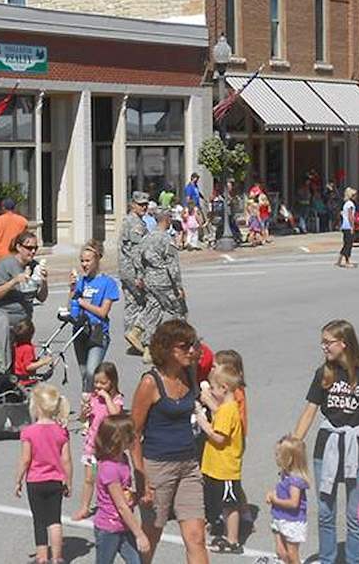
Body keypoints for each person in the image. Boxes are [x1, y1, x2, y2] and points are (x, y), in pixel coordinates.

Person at [290, 319, 359, 564]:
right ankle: (327, 559)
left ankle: (355, 560)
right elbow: (310, 410)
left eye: (328, 342)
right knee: (325, 511)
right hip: (328, 445)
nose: (323, 347)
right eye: (322, 342)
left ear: (344, 343)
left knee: (355, 515)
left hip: (358, 446)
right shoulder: (324, 372)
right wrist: (293, 444)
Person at [130, 320, 210, 564]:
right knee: (151, 535)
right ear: (166, 349)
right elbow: (133, 434)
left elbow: (209, 358)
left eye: (192, 345)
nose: (191, 350)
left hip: (189, 465)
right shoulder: (150, 383)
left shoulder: (189, 373)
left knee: (196, 537)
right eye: (184, 346)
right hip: (158, 468)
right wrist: (142, 478)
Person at [14, 383, 73, 564]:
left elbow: (25, 459)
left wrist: (18, 480)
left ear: (36, 407)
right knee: (55, 520)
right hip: (55, 481)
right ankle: (57, 558)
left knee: (39, 520)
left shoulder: (29, 432)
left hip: (35, 481)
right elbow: (66, 460)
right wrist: (68, 481)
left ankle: (42, 558)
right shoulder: (61, 431)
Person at [196, 365, 247, 554]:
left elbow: (220, 437)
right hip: (217, 466)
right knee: (224, 502)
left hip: (225, 467)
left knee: (229, 504)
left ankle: (232, 539)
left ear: (224, 388)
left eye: (213, 387)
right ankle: (226, 532)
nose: (211, 390)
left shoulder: (227, 410)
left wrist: (204, 425)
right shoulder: (227, 408)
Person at [87, 414, 151, 564]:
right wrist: (139, 534)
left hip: (124, 525)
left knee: (136, 561)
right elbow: (121, 506)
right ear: (119, 439)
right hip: (109, 528)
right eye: (131, 434)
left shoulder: (122, 459)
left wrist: (134, 496)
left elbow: (123, 493)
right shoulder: (109, 468)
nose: (135, 437)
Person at [73, 362, 125, 520]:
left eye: (103, 382)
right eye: (96, 382)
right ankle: (84, 507)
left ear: (112, 382)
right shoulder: (92, 398)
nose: (98, 386)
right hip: (92, 446)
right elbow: (83, 419)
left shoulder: (116, 399)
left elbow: (116, 414)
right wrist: (84, 412)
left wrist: (107, 398)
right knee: (89, 479)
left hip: (109, 448)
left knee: (110, 479)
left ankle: (117, 506)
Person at [68, 242, 119, 402]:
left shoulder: (107, 283)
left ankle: (100, 404)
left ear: (97, 260)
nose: (84, 264)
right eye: (82, 261)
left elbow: (103, 312)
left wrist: (85, 304)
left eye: (88, 261)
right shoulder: (80, 281)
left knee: (92, 372)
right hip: (80, 331)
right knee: (84, 374)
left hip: (98, 332)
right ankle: (92, 409)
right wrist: (72, 290)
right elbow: (71, 308)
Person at [138, 209, 186, 356]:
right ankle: (179, 343)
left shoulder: (146, 237)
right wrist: (178, 287)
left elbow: (138, 259)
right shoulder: (166, 239)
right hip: (164, 281)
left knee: (154, 310)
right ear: (166, 220)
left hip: (149, 280)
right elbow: (173, 266)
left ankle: (148, 348)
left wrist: (140, 276)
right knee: (179, 311)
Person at [0, 231, 48, 328]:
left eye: (35, 248)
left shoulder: (35, 266)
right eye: (29, 248)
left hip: (24, 324)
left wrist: (44, 281)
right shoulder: (5, 265)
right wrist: (14, 281)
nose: (33, 251)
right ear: (19, 247)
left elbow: (42, 298)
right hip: (3, 322)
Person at [266, 436, 310, 564]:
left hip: (292, 521)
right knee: (281, 552)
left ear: (289, 458)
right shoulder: (285, 474)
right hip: (280, 517)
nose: (276, 457)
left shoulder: (295, 480)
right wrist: (272, 494)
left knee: (292, 554)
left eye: (278, 455)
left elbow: (293, 503)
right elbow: (281, 491)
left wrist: (275, 500)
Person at [119, 191, 150, 355]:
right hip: (132, 269)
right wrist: (140, 275)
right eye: (140, 204)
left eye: (146, 204)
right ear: (133, 205)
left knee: (132, 303)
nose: (144, 207)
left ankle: (132, 338)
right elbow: (137, 251)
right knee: (151, 301)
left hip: (125, 269)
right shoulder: (136, 224)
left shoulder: (128, 221)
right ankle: (136, 332)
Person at [0, 198, 29, 262]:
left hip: (1, 255)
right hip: (17, 254)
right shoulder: (22, 221)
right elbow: (27, 237)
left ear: (3, 208)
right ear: (14, 208)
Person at [336, 187, 358, 268]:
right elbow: (350, 216)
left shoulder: (345, 204)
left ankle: (339, 260)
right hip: (348, 226)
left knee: (346, 244)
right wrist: (352, 226)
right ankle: (347, 261)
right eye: (354, 195)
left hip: (344, 226)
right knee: (349, 244)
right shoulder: (350, 204)